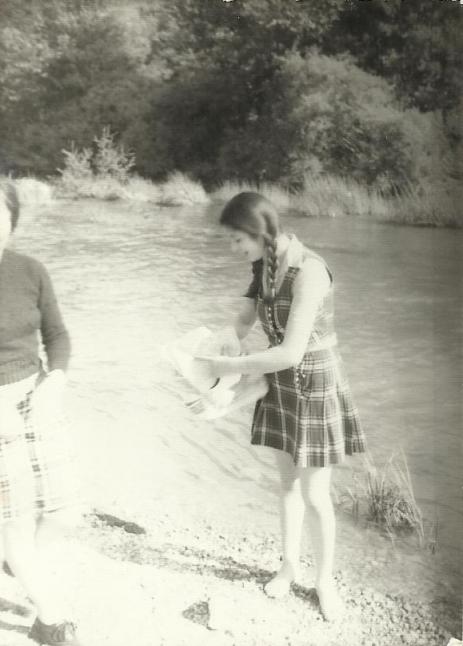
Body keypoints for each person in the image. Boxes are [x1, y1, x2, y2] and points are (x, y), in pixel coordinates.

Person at [196, 192, 366, 621]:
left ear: (258, 232)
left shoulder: (310, 271)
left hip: (314, 383)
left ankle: (324, 582)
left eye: (237, 239)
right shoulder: (264, 265)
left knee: (315, 494)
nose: (233, 248)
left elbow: (291, 352)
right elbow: (244, 320)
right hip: (280, 381)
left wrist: (231, 367)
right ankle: (289, 567)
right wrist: (218, 344)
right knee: (288, 485)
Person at [0, 181, 82, 645]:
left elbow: (57, 336)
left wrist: (57, 379)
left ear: (11, 218)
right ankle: (49, 621)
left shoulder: (31, 270)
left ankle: (16, 561)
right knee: (14, 519)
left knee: (65, 510)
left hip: (37, 397)